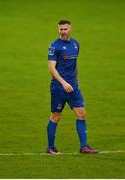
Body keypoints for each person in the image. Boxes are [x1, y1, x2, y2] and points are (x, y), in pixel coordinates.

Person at [47, 20, 98, 154]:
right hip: (59, 87)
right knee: (56, 116)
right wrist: (64, 83)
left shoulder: (75, 44)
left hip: (73, 86)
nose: (63, 32)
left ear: (71, 29)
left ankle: (84, 146)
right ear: (58, 30)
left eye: (65, 29)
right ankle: (50, 147)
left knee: (81, 113)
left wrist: (76, 82)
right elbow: (52, 69)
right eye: (61, 29)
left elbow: (74, 65)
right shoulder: (54, 46)